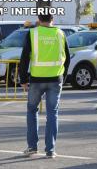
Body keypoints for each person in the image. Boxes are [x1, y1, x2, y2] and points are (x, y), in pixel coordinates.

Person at [19, 12, 70, 158]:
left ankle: (32, 147)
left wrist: (23, 79)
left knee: (32, 111)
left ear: (39, 20)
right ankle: (50, 150)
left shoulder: (32, 33)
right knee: (52, 113)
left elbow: (24, 58)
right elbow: (67, 58)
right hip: (55, 79)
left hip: (36, 79)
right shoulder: (61, 34)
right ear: (52, 19)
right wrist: (63, 78)